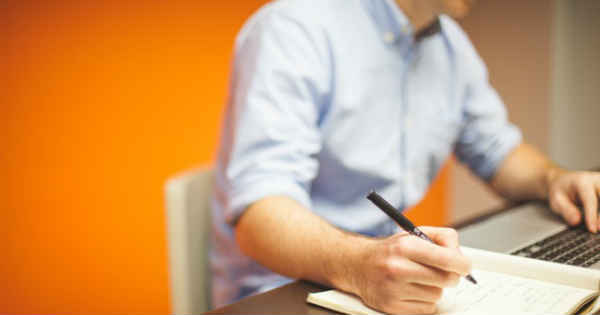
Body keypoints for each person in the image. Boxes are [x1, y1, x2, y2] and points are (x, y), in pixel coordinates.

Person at [210, 0, 600, 313]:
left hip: (388, 284)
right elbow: (259, 214)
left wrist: (554, 180)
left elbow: (497, 150)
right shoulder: (293, 28)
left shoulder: (451, 47)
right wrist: (358, 267)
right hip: (285, 294)